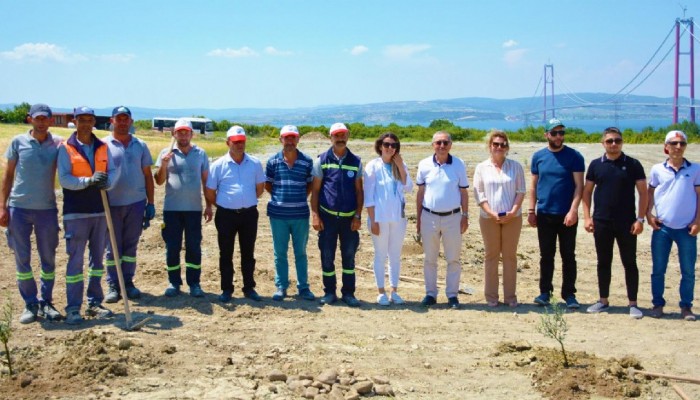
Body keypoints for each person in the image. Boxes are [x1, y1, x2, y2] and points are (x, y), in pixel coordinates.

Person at [1, 103, 63, 324]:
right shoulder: (18, 142)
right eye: (37, 118)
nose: (41, 122)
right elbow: (8, 175)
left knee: (48, 258)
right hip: (19, 209)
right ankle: (30, 303)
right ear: (30, 119)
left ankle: (46, 301)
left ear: (50, 120)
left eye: (45, 118)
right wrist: (2, 206)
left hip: (46, 209)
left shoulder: (57, 144)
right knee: (22, 259)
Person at [57, 106, 117, 324]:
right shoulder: (66, 148)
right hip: (76, 213)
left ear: (93, 122)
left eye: (89, 119)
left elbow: (111, 171)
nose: (85, 123)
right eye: (81, 119)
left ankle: (94, 302)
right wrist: (88, 181)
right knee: (75, 262)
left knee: (97, 261)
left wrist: (107, 182)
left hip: (100, 211)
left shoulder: (102, 146)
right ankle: (73, 307)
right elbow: (64, 179)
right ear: (75, 121)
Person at [582, 127, 647, 319]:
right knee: (603, 262)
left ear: (622, 142)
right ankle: (603, 301)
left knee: (630, 262)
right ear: (603, 143)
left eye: (617, 141)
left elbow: (643, 193)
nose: (613, 144)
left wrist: (640, 219)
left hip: (627, 222)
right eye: (609, 141)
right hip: (602, 222)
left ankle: (633, 304)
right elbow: (587, 192)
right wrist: (587, 217)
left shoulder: (633, 164)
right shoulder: (595, 165)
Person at [528, 118, 584, 309]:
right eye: (554, 133)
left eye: (561, 133)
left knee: (568, 255)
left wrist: (574, 210)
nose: (558, 136)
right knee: (546, 255)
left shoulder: (574, 156)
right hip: (544, 213)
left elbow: (579, 186)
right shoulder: (538, 157)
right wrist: (531, 210)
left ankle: (569, 294)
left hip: (567, 215)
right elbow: (534, 186)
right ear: (547, 135)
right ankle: (545, 292)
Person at [205, 126, 265, 302]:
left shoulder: (254, 163)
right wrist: (224, 204)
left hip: (249, 215)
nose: (240, 145)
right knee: (226, 253)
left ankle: (249, 288)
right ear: (228, 142)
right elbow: (210, 191)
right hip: (226, 216)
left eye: (242, 142)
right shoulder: (217, 165)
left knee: (248, 252)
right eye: (236, 142)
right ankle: (226, 289)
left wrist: (244, 201)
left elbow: (259, 189)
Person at [154, 118, 212, 298]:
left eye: (186, 132)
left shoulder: (200, 153)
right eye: (180, 132)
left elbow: (205, 181)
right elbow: (159, 180)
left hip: (194, 209)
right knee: (172, 247)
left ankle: (194, 283)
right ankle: (174, 283)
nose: (183, 135)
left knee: (194, 246)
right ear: (174, 134)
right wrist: (163, 165)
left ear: (191, 134)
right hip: (172, 210)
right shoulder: (166, 152)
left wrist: (209, 205)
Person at [646, 130, 700, 321]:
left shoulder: (695, 169)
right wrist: (648, 215)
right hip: (663, 228)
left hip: (687, 229)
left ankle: (686, 307)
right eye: (674, 143)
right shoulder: (657, 169)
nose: (678, 147)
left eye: (682, 144)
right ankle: (657, 305)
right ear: (666, 147)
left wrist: (697, 222)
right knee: (658, 269)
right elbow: (649, 194)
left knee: (688, 270)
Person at [103, 106, 155, 303]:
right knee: (113, 246)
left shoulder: (140, 145)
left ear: (131, 121)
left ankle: (128, 281)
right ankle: (113, 284)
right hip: (112, 204)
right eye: (119, 119)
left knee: (131, 246)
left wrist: (150, 203)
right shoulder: (103, 145)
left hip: (136, 203)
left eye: (126, 119)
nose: (123, 122)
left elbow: (147, 175)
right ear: (112, 120)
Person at [310, 122, 364, 307]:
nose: (340, 138)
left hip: (349, 219)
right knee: (327, 256)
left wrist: (357, 216)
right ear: (330, 137)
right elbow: (315, 191)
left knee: (349, 256)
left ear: (348, 136)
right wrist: (316, 215)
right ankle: (329, 292)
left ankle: (348, 293)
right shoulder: (321, 160)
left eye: (343, 135)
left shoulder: (356, 161)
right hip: (328, 218)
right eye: (336, 135)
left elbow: (359, 191)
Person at [415, 131, 469, 309]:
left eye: (445, 142)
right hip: (429, 217)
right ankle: (430, 294)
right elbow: (420, 193)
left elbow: (463, 192)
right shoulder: (424, 165)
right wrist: (419, 218)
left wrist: (465, 215)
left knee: (453, 259)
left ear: (450, 145)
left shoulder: (459, 164)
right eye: (438, 142)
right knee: (430, 259)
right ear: (433, 145)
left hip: (453, 218)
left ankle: (452, 295)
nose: (442, 146)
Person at [473, 130, 525, 308]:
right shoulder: (481, 168)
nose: (499, 147)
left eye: (503, 145)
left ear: (507, 147)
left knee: (510, 256)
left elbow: (521, 191)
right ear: (490, 146)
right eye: (496, 144)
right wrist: (490, 211)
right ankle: (491, 297)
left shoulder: (516, 167)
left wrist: (513, 211)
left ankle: (510, 297)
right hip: (489, 217)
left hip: (513, 217)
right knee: (491, 256)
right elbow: (479, 193)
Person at [265, 125, 316, 302]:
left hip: (300, 214)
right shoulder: (272, 162)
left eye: (293, 137)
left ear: (298, 139)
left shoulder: (307, 162)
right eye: (286, 138)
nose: (290, 141)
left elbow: (310, 184)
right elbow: (268, 185)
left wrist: (301, 197)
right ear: (281, 140)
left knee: (300, 252)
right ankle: (281, 286)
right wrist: (280, 198)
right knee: (280, 253)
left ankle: (303, 287)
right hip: (278, 215)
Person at [363, 132, 413, 306]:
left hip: (398, 218)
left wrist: (400, 166)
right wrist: (373, 220)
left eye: (393, 145)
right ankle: (381, 291)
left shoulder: (400, 165)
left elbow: (409, 188)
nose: (390, 148)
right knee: (380, 255)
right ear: (380, 146)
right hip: (379, 218)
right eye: (386, 144)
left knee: (395, 255)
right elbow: (368, 196)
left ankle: (394, 290)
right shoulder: (373, 166)